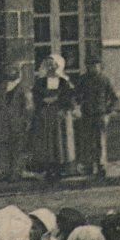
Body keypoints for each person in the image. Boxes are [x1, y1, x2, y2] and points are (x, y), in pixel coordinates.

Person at [31, 54, 75, 185]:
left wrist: (58, 100)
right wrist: (44, 100)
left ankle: (60, 168)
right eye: (48, 64)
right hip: (45, 116)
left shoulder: (64, 82)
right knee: (47, 142)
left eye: (53, 64)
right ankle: (48, 168)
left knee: (59, 141)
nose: (51, 67)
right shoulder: (40, 82)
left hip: (59, 116)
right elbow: (36, 97)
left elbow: (69, 98)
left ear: (59, 66)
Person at [76, 57, 118, 179]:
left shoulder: (105, 80)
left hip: (100, 115)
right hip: (87, 115)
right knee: (87, 141)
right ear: (87, 67)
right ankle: (88, 166)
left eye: (95, 65)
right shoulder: (83, 80)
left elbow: (114, 98)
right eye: (90, 65)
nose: (93, 68)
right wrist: (78, 106)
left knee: (100, 141)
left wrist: (108, 112)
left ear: (100, 66)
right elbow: (77, 95)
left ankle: (101, 166)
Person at [0, 60, 33, 182]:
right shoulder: (2, 87)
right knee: (4, 147)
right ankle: (6, 171)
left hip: (17, 121)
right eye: (8, 70)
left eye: (14, 70)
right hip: (3, 122)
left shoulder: (24, 87)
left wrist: (26, 120)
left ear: (19, 72)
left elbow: (28, 106)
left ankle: (17, 172)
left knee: (18, 148)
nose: (11, 72)